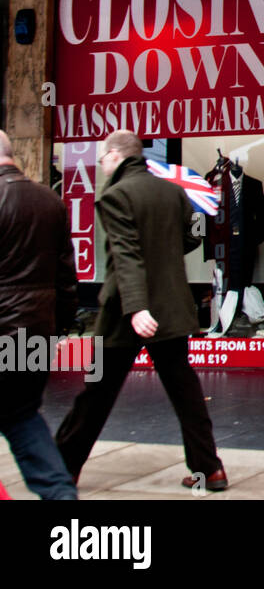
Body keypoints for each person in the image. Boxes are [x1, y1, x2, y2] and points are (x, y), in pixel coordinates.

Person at [55, 131, 228, 491]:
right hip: (171, 307)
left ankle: (63, 468)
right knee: (185, 392)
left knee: (96, 394)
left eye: (103, 157)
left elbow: (126, 255)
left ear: (117, 156)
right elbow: (192, 236)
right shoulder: (172, 191)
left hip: (126, 311)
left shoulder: (115, 195)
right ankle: (210, 470)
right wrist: (162, 252)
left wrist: (136, 307)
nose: (101, 164)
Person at [0, 130, 79, 499]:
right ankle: (61, 496)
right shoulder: (51, 201)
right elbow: (66, 274)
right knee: (22, 415)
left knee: (20, 417)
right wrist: (60, 326)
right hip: (35, 330)